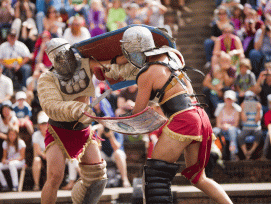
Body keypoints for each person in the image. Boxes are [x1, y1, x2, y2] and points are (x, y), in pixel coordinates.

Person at [118, 25, 233, 204]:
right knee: (198, 178)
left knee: (154, 176)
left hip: (184, 119)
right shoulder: (172, 57)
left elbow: (138, 112)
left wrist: (120, 120)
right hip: (200, 115)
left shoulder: (147, 73)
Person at [37, 38, 135, 204]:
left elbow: (113, 65)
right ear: (52, 59)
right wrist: (78, 110)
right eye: (58, 56)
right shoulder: (47, 78)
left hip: (84, 130)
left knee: (97, 176)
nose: (64, 59)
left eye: (65, 53)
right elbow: (51, 105)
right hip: (59, 130)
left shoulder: (85, 63)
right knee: (55, 177)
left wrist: (133, 61)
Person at [92, 98, 131, 188]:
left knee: (119, 154)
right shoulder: (96, 128)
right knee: (96, 156)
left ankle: (125, 179)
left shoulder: (114, 126)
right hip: (103, 152)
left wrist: (110, 136)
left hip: (113, 152)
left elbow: (117, 147)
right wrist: (100, 134)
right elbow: (97, 149)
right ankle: (98, 182)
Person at [213, 90, 241, 161]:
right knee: (214, 131)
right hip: (222, 129)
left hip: (233, 130)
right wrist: (223, 126)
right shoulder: (220, 108)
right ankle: (213, 151)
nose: (229, 101)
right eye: (227, 99)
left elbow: (236, 124)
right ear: (224, 99)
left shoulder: (237, 109)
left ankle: (233, 151)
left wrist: (228, 126)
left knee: (232, 130)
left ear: (234, 100)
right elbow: (218, 124)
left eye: (230, 99)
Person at [238, 90, 263, 160]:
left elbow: (257, 120)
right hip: (246, 129)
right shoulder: (244, 107)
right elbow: (244, 119)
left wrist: (258, 110)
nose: (250, 101)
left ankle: (251, 151)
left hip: (256, 129)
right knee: (240, 136)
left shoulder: (258, 107)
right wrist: (243, 109)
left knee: (259, 134)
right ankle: (246, 153)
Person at [0, 127, 26, 192]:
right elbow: (4, 157)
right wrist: (3, 160)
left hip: (20, 162)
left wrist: (12, 160)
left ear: (16, 135)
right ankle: (4, 185)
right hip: (9, 162)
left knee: (12, 164)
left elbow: (22, 157)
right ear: (8, 135)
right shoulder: (5, 143)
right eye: (10, 134)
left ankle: (15, 185)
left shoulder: (21, 142)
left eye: (13, 134)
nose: (12, 136)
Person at [32, 111, 48, 191]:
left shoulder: (53, 134)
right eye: (42, 124)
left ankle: (50, 185)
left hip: (50, 156)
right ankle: (36, 185)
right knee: (36, 160)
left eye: (46, 123)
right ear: (39, 125)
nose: (44, 126)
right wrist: (44, 155)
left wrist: (48, 155)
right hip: (41, 157)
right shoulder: (36, 135)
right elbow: (37, 151)